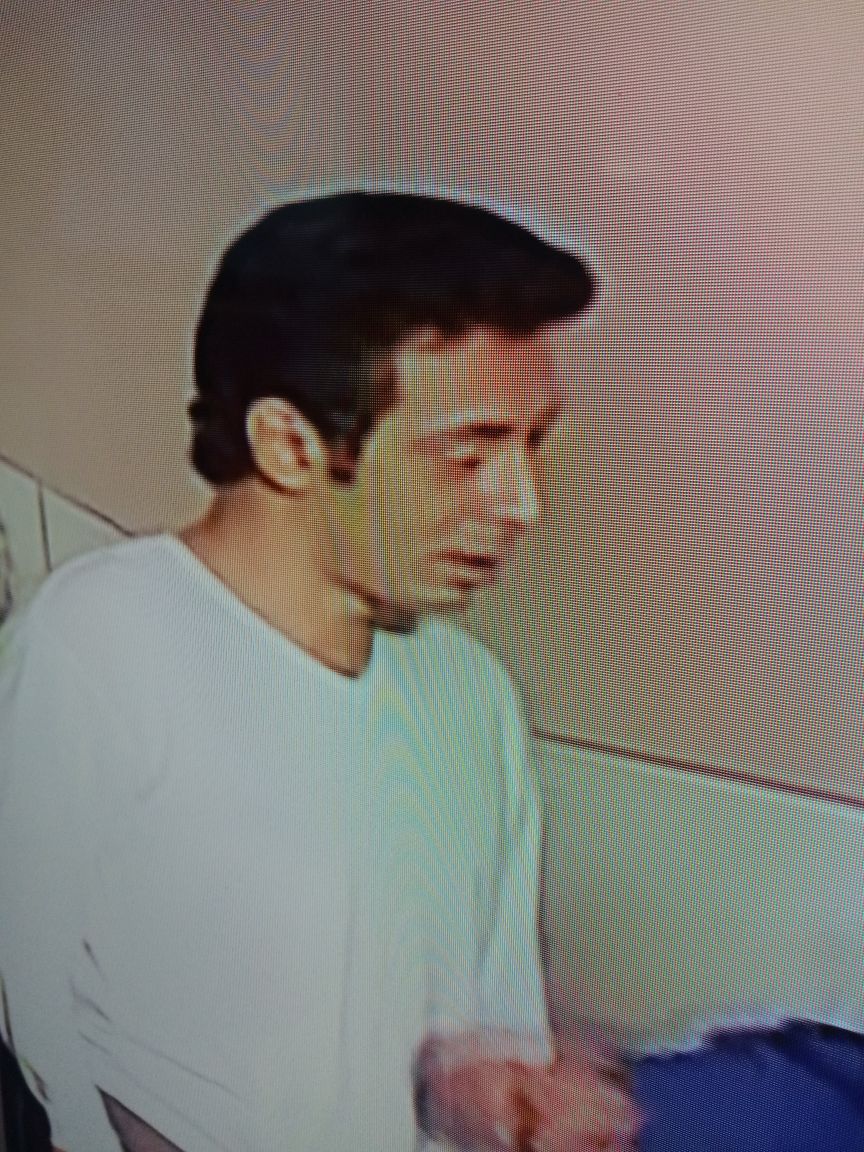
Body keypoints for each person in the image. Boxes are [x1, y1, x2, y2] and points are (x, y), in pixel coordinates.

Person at [0, 190, 642, 1152]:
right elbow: (32, 1033)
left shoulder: (473, 696)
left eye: (534, 444)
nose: (524, 504)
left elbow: (490, 1032)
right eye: (471, 455)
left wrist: (504, 1099)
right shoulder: (94, 646)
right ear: (288, 445)